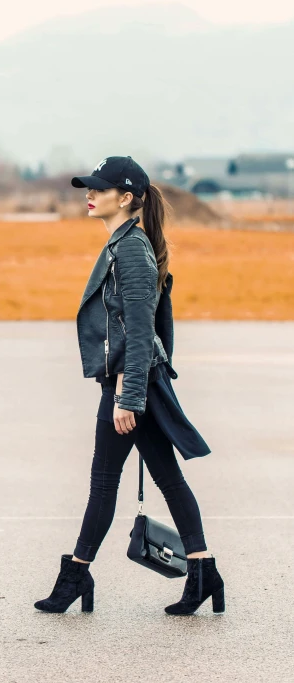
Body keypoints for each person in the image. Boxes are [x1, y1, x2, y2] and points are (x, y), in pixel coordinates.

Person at [34, 156, 225, 616]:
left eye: (99, 189)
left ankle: (76, 576)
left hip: (131, 383)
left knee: (104, 482)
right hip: (132, 380)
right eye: (89, 187)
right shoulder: (123, 244)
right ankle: (202, 572)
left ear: (125, 198)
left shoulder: (132, 249)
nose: (90, 194)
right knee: (164, 478)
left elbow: (140, 331)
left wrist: (127, 396)